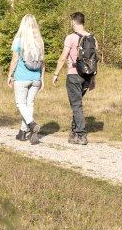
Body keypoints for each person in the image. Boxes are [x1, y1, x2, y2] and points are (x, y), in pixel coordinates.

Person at [53, 12, 95, 145]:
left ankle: (81, 135)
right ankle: (74, 133)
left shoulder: (70, 38)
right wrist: (93, 79)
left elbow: (63, 57)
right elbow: (94, 61)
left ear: (74, 22)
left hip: (73, 74)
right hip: (87, 76)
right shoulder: (92, 38)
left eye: (71, 21)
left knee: (76, 105)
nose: (71, 24)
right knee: (76, 104)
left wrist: (56, 74)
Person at [7, 14, 45, 145]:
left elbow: (15, 59)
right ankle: (23, 133)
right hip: (36, 78)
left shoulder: (19, 40)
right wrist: (42, 78)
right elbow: (42, 62)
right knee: (30, 105)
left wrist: (10, 75)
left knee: (20, 103)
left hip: (22, 77)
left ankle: (32, 124)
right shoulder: (39, 41)